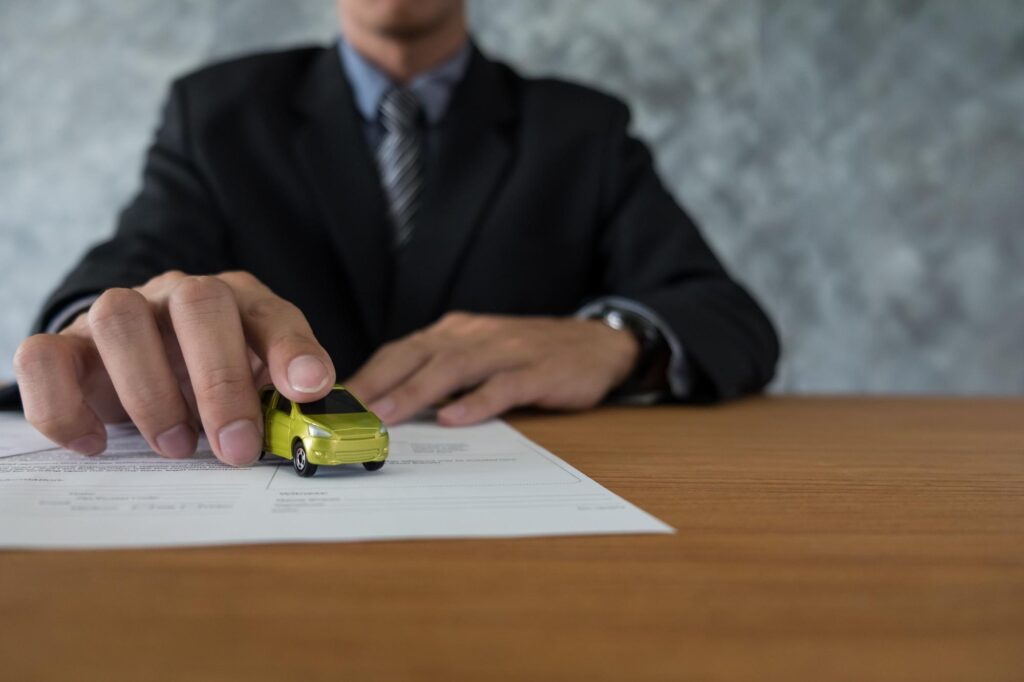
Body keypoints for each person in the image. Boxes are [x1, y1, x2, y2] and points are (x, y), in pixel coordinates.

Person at [11, 0, 779, 467]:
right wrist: (108, 329)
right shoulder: (215, 112)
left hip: (524, 540)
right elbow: (122, 271)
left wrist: (618, 342)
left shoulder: (582, 129)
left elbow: (729, 318)